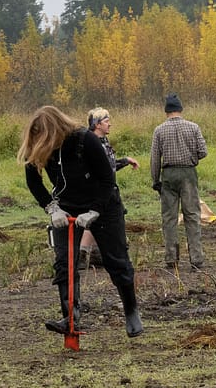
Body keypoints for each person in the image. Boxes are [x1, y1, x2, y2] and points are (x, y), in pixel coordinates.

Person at [19, 106, 143, 338]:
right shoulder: (37, 145)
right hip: (66, 207)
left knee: (116, 260)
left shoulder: (85, 140)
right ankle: (70, 316)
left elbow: (108, 178)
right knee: (64, 263)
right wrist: (51, 207)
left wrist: (95, 210)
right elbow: (34, 182)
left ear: (56, 130)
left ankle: (131, 311)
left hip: (103, 203)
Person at [151, 94, 208, 271]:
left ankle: (171, 259)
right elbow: (203, 151)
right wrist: (192, 157)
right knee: (192, 216)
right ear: (180, 109)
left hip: (168, 174)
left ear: (166, 110)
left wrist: (156, 180)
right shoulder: (193, 127)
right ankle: (196, 259)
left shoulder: (159, 130)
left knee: (169, 218)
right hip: (188, 174)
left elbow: (155, 159)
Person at [77, 107, 140, 269]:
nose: (109, 124)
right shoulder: (91, 144)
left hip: (109, 189)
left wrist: (125, 161)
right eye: (106, 121)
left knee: (105, 221)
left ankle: (96, 255)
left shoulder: (104, 142)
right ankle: (82, 256)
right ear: (97, 125)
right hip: (99, 191)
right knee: (99, 221)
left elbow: (109, 167)